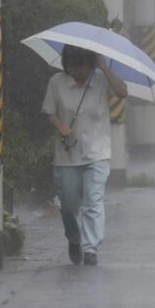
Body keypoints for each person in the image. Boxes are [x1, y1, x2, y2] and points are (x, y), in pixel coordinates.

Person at [42, 45, 128, 266]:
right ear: (67, 65)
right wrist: (62, 127)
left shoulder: (100, 79)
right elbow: (49, 111)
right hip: (67, 157)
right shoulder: (57, 82)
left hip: (97, 153)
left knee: (93, 201)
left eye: (83, 66)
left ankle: (91, 249)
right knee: (69, 206)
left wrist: (104, 67)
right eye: (73, 66)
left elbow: (122, 92)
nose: (79, 72)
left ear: (90, 64)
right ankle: (74, 239)